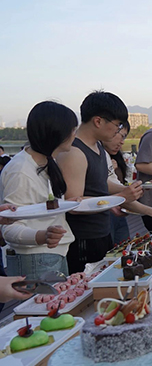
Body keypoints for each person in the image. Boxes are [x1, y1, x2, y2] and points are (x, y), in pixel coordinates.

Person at [58, 92, 144, 274]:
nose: (118, 130)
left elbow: (102, 181)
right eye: (117, 124)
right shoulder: (74, 152)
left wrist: (126, 190)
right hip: (83, 238)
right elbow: (73, 202)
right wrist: (120, 197)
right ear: (98, 121)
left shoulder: (97, 146)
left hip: (102, 231)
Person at [0, 102, 76, 279]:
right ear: (56, 133)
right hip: (35, 258)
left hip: (54, 253)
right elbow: (9, 228)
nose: (74, 134)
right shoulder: (20, 170)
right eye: (72, 130)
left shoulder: (47, 161)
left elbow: (42, 204)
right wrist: (43, 236)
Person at [104, 122, 152, 244]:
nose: (122, 142)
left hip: (119, 210)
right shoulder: (87, 153)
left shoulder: (110, 156)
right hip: (102, 219)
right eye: (120, 135)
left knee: (122, 249)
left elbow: (115, 188)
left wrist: (135, 190)